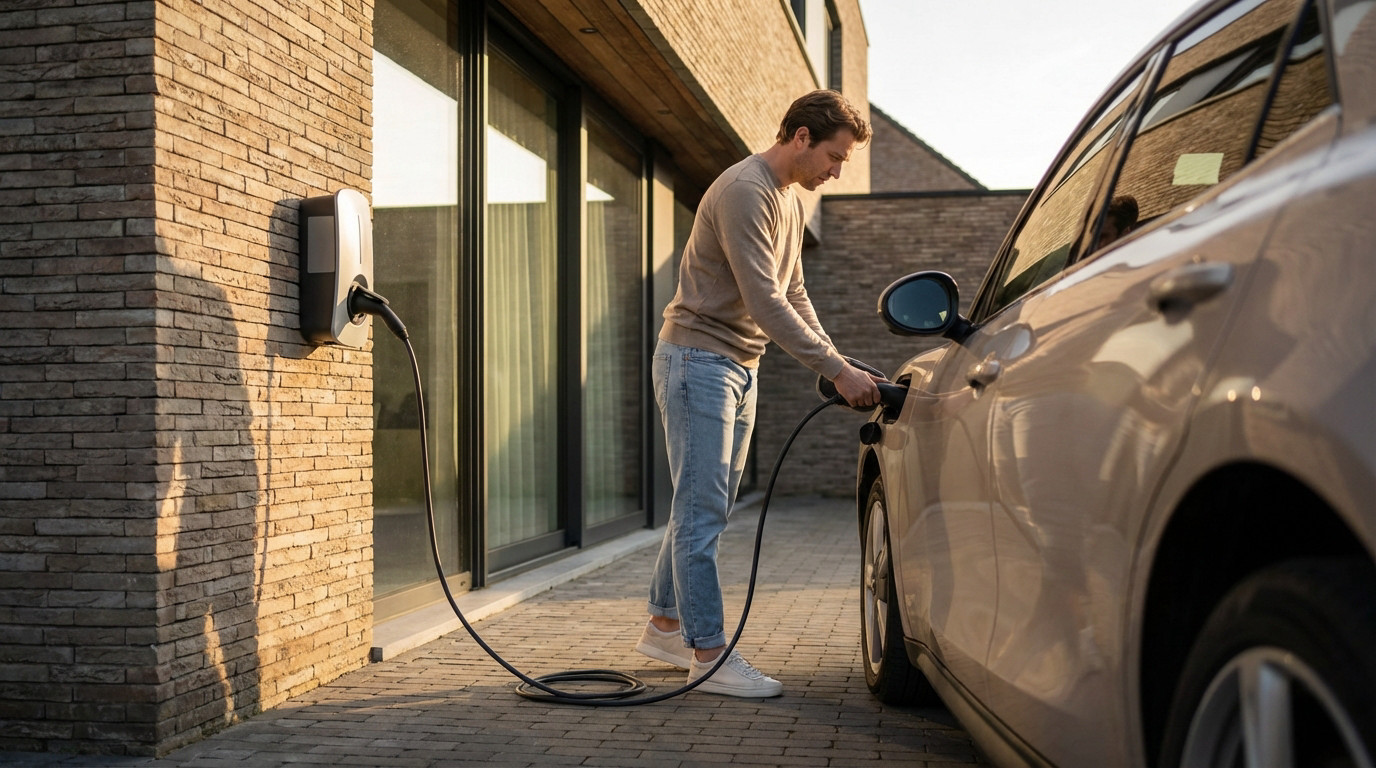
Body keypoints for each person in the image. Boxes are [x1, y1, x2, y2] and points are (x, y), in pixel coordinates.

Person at [634, 90, 882, 697]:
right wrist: (835, 369)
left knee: (698, 506)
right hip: (698, 361)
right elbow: (764, 301)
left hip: (737, 365)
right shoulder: (746, 191)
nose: (836, 170)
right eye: (834, 156)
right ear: (800, 137)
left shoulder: (790, 202)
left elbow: (794, 293)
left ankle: (667, 625)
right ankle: (708, 655)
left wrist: (837, 363)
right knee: (703, 512)